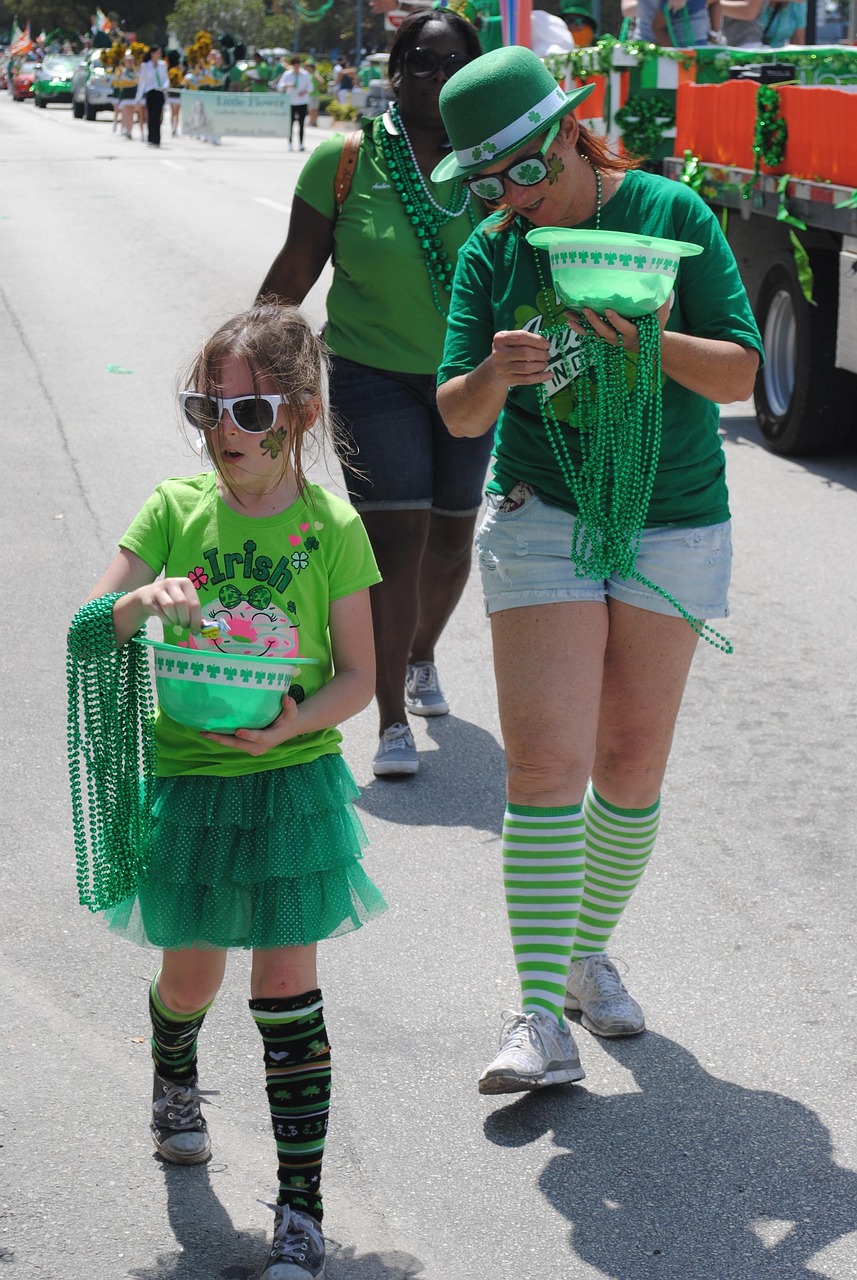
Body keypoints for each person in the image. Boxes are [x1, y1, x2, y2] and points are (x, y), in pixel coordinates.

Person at [433, 47, 763, 1093]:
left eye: (522, 174)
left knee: (627, 764)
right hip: (541, 514)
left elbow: (741, 372)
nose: (510, 201)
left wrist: (653, 333)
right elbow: (456, 411)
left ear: (573, 132)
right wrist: (497, 367)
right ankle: (536, 1013)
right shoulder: (495, 251)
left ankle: (581, 950)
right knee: (543, 766)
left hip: (671, 520)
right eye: (487, 187)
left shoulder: (671, 214)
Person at [70, 304, 386, 1278]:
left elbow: (359, 675)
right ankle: (173, 1068)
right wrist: (140, 600)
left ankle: (301, 1210)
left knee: (287, 986)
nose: (223, 432)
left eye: (246, 409)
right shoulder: (174, 509)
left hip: (292, 783)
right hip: (194, 787)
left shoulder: (330, 524)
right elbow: (93, 623)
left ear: (298, 413)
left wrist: (295, 720)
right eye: (206, 406)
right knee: (191, 978)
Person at [256, 10, 493, 779]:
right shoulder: (344, 160)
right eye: (421, 63)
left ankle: (418, 654)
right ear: (394, 71)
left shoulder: (496, 163)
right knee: (397, 540)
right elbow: (293, 275)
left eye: (454, 63)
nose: (436, 78)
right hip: (369, 375)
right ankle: (389, 714)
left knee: (453, 536)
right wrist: (253, 373)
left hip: (470, 379)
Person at [277, 54, 312, 151]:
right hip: (291, 102)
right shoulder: (287, 74)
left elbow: (310, 87)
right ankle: (290, 143)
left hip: (302, 102)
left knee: (301, 124)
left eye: (298, 65)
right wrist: (287, 85)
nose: (296, 67)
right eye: (294, 65)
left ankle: (301, 144)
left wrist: (304, 91)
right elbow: (279, 86)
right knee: (290, 124)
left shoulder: (305, 74)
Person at [136, 44, 168, 147]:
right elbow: (142, 82)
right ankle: (150, 138)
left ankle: (157, 139)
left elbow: (166, 79)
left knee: (158, 116)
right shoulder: (146, 66)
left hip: (159, 92)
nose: (159, 54)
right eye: (157, 52)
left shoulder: (163, 65)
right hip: (150, 92)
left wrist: (165, 86)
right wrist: (138, 96)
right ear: (152, 53)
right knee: (151, 115)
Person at [306, 59, 326, 126]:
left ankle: (312, 121)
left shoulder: (315, 74)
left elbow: (322, 81)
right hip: (313, 94)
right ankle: (313, 121)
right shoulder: (311, 74)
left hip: (313, 94)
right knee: (314, 109)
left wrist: (318, 87)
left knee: (312, 109)